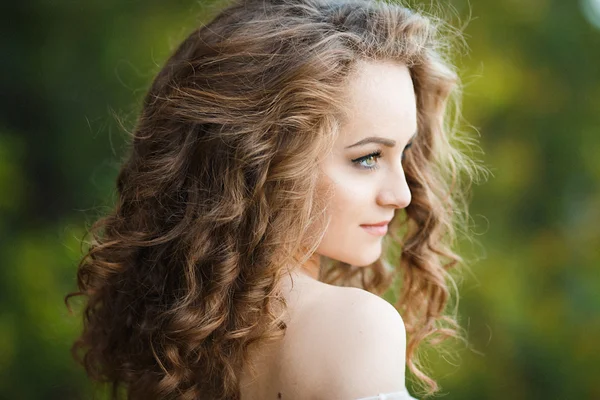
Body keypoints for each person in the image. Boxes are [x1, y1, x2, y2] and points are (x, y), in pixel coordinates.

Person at [65, 0, 481, 398]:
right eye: (368, 157)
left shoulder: (182, 340)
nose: (402, 195)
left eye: (403, 153)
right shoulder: (355, 328)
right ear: (264, 159)